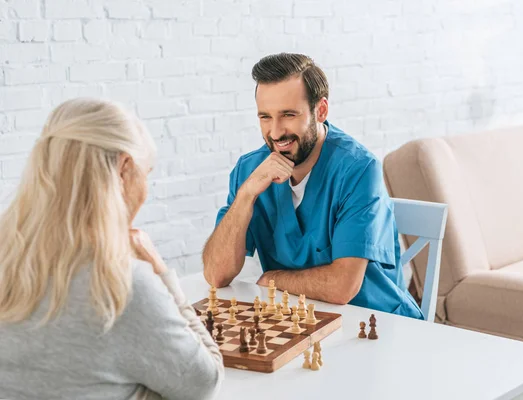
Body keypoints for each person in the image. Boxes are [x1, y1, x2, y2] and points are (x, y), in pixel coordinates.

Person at [0, 98, 224, 399]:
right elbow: (205, 383)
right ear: (123, 169)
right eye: (147, 174)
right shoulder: (122, 286)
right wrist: (161, 274)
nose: (145, 190)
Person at [203, 53, 423, 319]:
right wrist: (247, 194)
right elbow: (217, 274)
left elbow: (342, 287)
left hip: (374, 323)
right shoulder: (250, 170)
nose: (275, 132)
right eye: (265, 117)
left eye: (288, 114)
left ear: (320, 111)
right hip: (299, 320)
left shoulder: (359, 170)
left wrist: (273, 279)